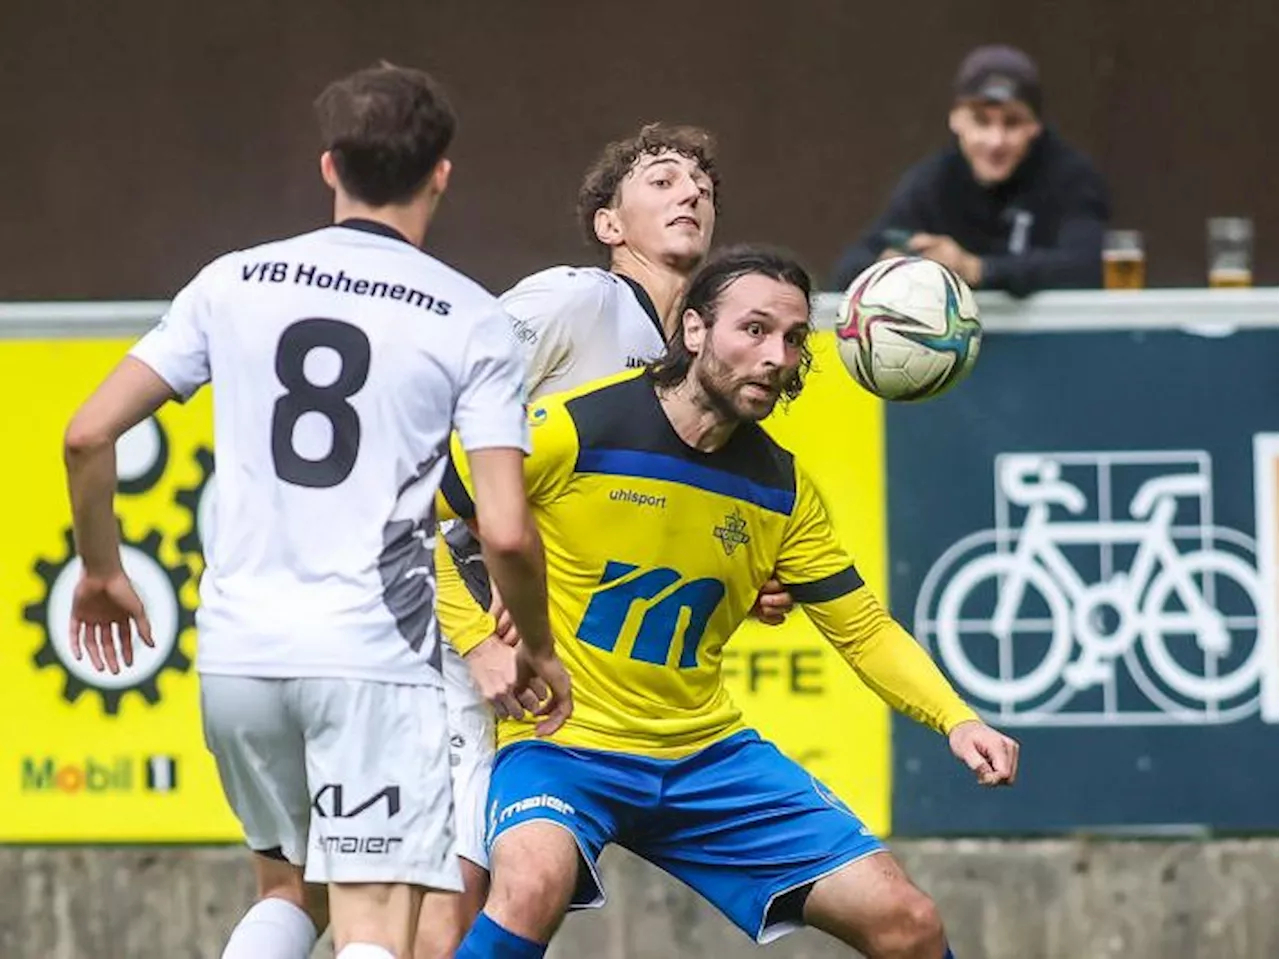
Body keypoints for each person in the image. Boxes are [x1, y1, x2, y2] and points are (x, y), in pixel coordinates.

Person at [61, 63, 570, 959]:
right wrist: (534, 642)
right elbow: (504, 528)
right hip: (375, 656)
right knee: (375, 923)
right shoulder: (468, 316)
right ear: (442, 173)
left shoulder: (232, 281)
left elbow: (85, 433)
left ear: (329, 165)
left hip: (242, 652)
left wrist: (103, 570)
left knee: (291, 891)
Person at [440, 245, 1021, 959]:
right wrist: (476, 639)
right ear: (692, 330)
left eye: (794, 338)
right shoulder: (573, 426)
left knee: (908, 921)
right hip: (563, 743)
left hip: (703, 754)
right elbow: (410, 513)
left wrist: (956, 720)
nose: (776, 355)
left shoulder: (781, 489)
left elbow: (864, 629)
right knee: (530, 886)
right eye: (753, 330)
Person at [416, 123, 792, 958]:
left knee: (451, 888)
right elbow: (435, 429)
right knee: (445, 888)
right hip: (454, 625)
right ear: (609, 226)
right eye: (661, 180)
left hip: (533, 648)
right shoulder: (575, 298)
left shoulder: (683, 361)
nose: (690, 192)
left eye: (701, 185)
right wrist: (477, 623)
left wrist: (744, 577)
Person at [830, 44, 1110, 298]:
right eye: (981, 122)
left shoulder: (1070, 177)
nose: (995, 141)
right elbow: (848, 272)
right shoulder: (932, 182)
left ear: (1035, 126)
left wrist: (976, 269)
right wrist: (894, 267)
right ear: (956, 120)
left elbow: (1088, 267)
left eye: (1011, 123)